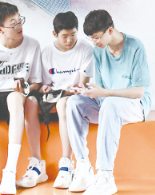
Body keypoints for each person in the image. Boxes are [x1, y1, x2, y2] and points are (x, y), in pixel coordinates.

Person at [66, 9, 150, 195]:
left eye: (96, 38)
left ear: (110, 30)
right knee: (73, 102)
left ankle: (105, 176)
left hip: (135, 105)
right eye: (91, 39)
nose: (94, 42)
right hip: (109, 104)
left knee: (111, 104)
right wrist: (86, 90)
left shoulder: (135, 46)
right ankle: (83, 167)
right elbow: (102, 89)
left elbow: (138, 92)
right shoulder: (98, 50)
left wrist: (105, 93)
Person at [0, 2, 45, 194]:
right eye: (13, 24)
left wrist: (25, 87)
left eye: (20, 20)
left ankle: (10, 171)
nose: (19, 26)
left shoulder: (32, 45)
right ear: (0, 29)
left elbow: (36, 83)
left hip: (17, 97)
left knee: (14, 98)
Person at [41, 11, 94, 189]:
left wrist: (73, 89)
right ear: (54, 34)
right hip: (54, 96)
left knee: (65, 103)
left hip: (74, 96)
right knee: (35, 103)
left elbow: (83, 84)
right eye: (64, 36)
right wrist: (45, 88)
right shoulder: (47, 52)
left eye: (73, 35)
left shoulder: (86, 49)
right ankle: (37, 164)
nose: (70, 40)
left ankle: (66, 163)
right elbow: (45, 84)